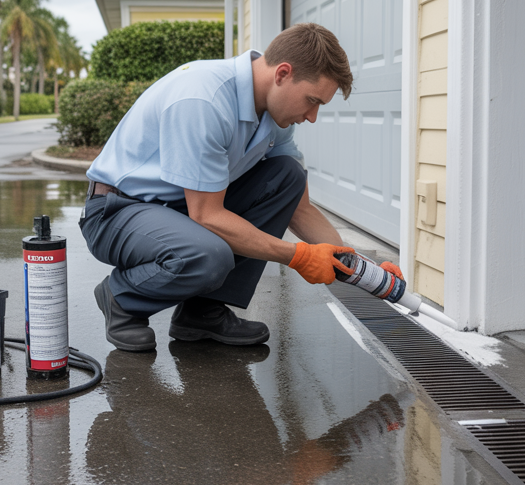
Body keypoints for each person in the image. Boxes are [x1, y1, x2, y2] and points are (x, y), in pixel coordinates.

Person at [79, 23, 402, 351]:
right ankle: (121, 297)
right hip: (116, 212)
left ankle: (202, 313)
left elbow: (299, 207)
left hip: (178, 210)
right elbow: (206, 215)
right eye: (311, 101)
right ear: (283, 74)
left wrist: (356, 265)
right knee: (208, 254)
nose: (313, 116)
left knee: (287, 176)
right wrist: (298, 256)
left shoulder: (275, 117)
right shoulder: (204, 99)